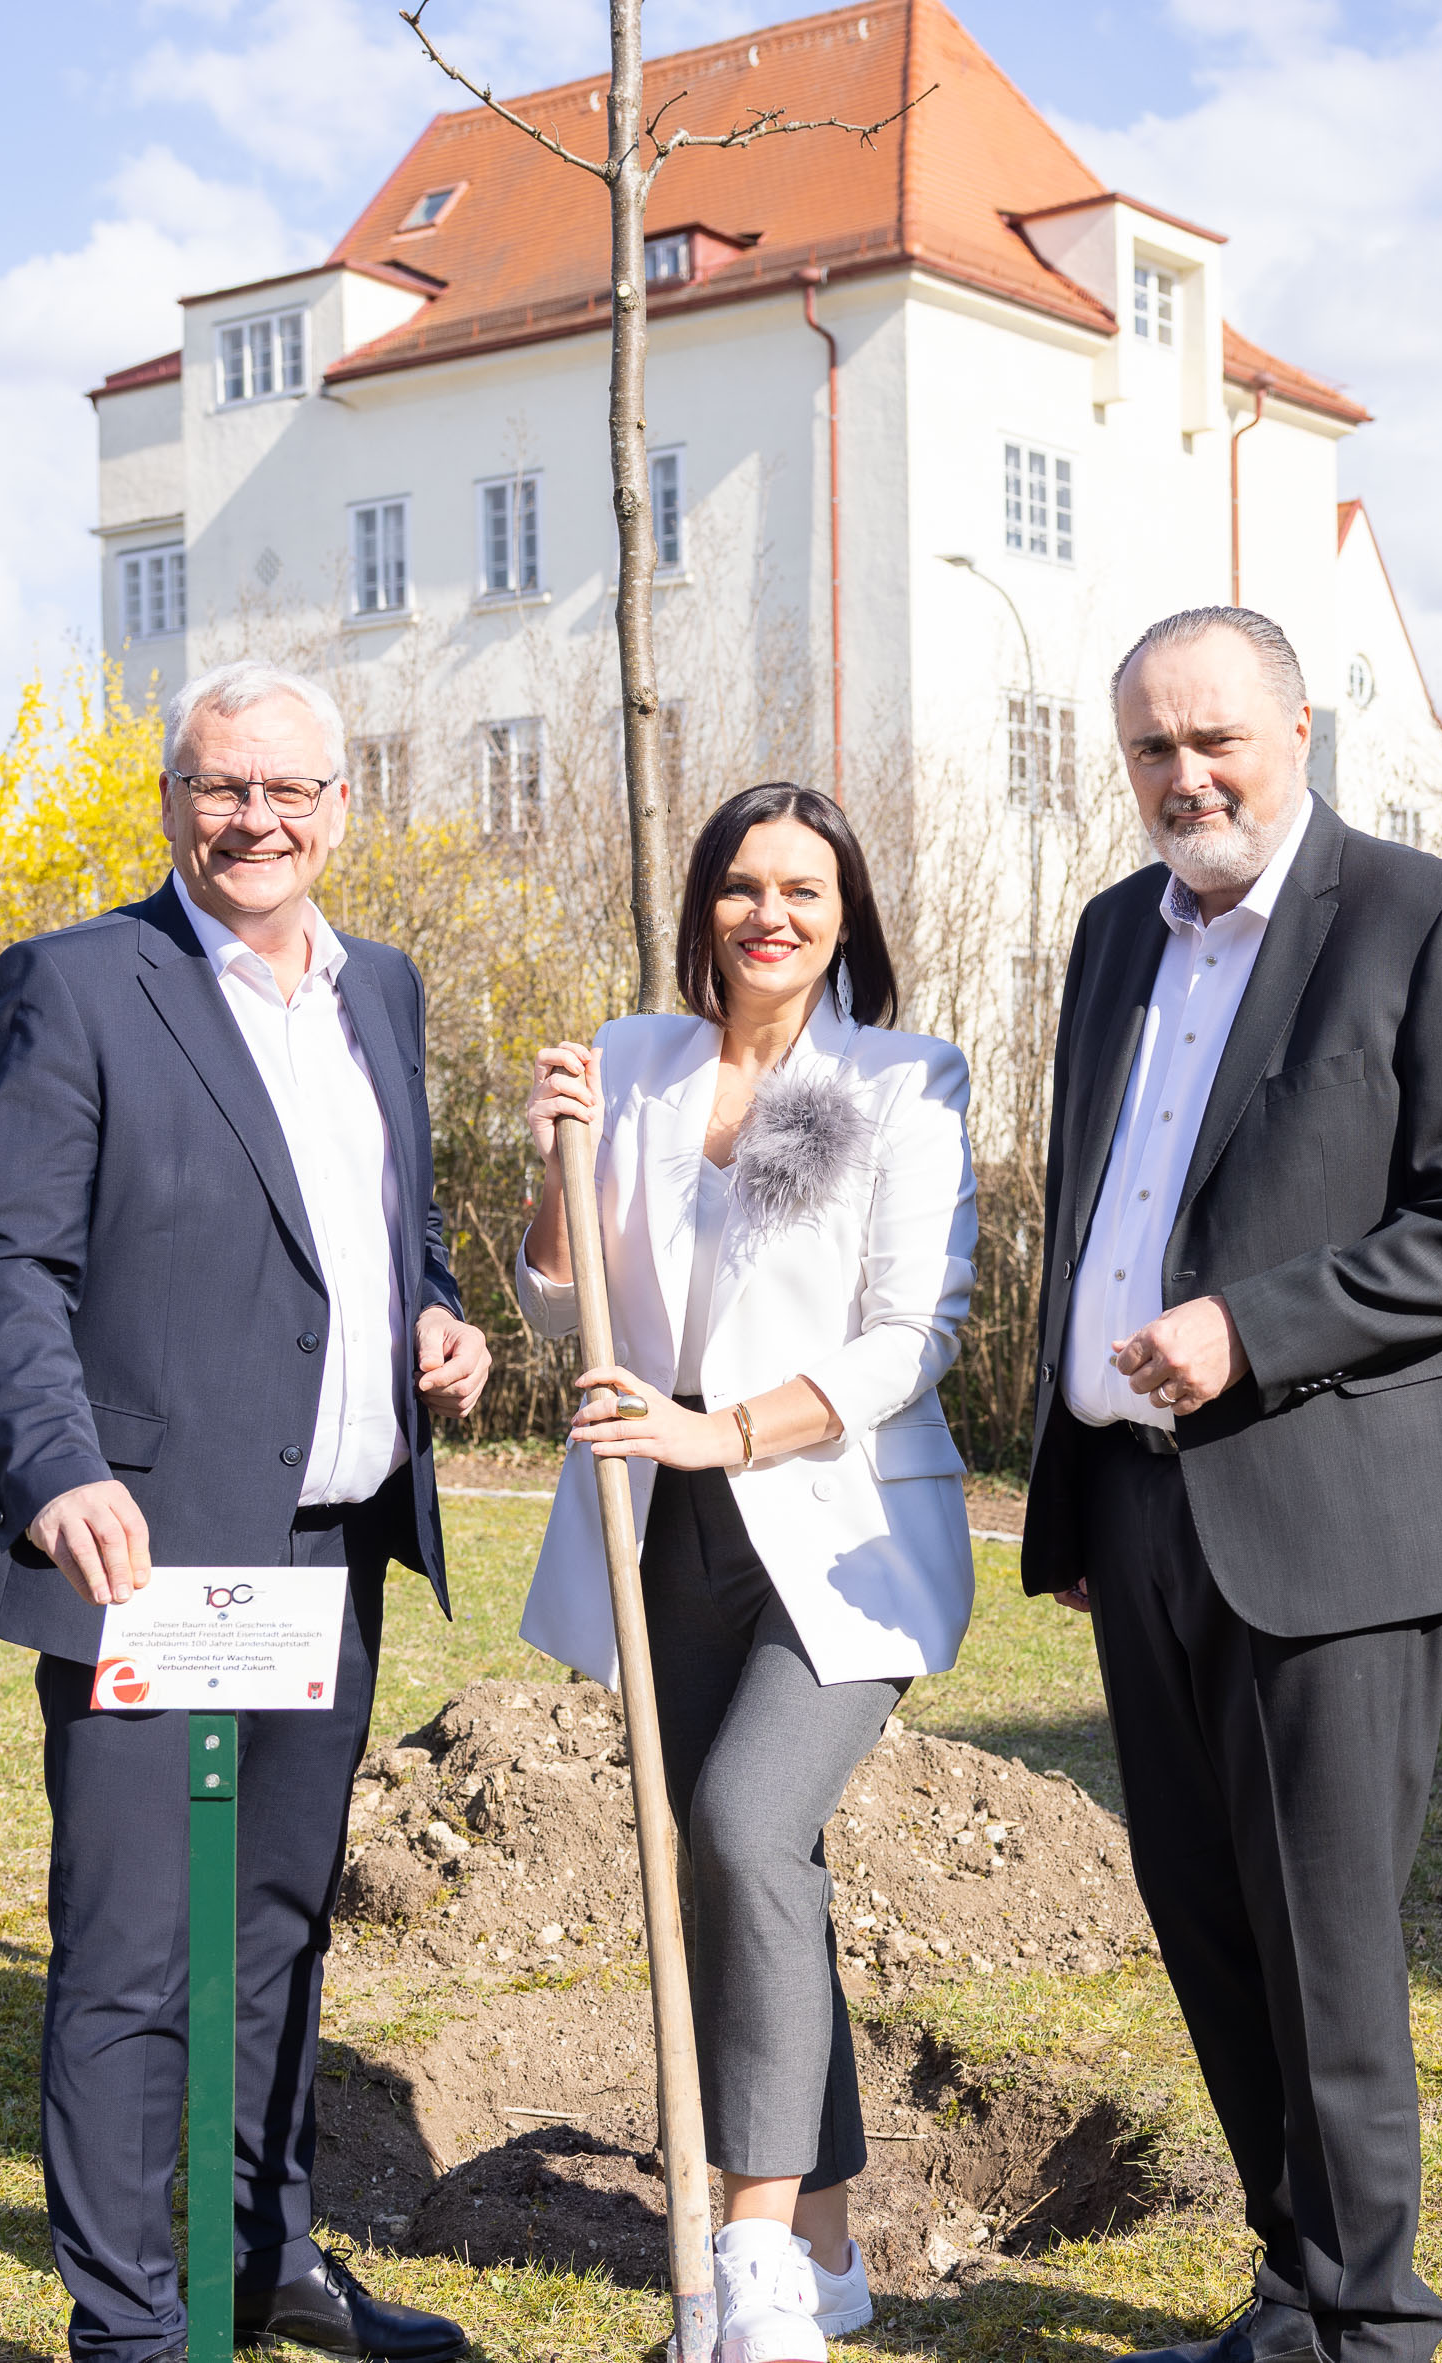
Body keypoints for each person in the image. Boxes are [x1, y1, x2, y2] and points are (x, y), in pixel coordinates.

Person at [1020, 610, 1442, 2363]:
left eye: (1217, 742)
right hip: (1140, 1503)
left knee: (1323, 1935)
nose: (1187, 779)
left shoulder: (1433, 917)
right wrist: (1083, 1481)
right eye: (1152, 752)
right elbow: (1095, 1201)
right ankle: (1296, 2293)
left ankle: (1372, 2324)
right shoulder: (1115, 932)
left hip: (1337, 1509)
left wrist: (1251, 1333)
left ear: (1300, 727)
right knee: (1204, 1919)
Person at [0, 658, 491, 2363]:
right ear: (174, 803)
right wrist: (59, 1471)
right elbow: (3, 1265)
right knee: (131, 1952)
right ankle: (129, 2328)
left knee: (273, 1930)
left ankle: (267, 2265)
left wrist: (441, 1315)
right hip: (154, 1556)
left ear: (341, 807)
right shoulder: (79, 985)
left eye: (289, 791)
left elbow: (381, 1230)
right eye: (220, 787)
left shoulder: (378, 990)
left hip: (332, 1552)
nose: (255, 819)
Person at [514, 780, 980, 2363]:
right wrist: (554, 1163)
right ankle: (836, 2253)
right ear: (703, 901)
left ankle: (757, 2253)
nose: (768, 914)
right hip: (664, 1534)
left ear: (847, 913)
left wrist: (725, 1434)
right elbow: (553, 1306)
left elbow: (911, 1342)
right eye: (740, 885)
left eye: (804, 887)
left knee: (742, 1823)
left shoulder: (900, 1081)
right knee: (741, 1875)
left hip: (837, 1537)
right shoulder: (639, 1059)